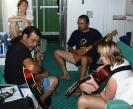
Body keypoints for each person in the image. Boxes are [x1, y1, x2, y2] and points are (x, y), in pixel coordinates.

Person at [4, 26, 58, 109]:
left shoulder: (17, 44)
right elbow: (32, 67)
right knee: (54, 80)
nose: (35, 44)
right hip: (20, 84)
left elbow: (28, 68)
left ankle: (40, 101)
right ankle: (40, 101)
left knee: (44, 79)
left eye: (37, 42)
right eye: (33, 40)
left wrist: (37, 59)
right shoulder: (22, 49)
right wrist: (42, 72)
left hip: (18, 78)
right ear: (25, 36)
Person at [78, 41, 133, 109]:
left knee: (82, 100)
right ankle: (91, 104)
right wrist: (101, 67)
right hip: (115, 90)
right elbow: (112, 67)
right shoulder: (123, 60)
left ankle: (87, 103)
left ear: (111, 56)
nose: (100, 58)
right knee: (83, 85)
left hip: (117, 102)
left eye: (103, 56)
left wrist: (95, 84)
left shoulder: (113, 79)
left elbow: (107, 99)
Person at [54, 15, 102, 80]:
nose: (79, 25)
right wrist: (75, 51)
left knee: (84, 58)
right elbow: (69, 47)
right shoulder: (75, 33)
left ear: (87, 24)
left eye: (82, 23)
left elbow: (103, 45)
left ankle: (81, 83)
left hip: (90, 58)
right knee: (57, 52)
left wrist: (109, 39)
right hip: (78, 56)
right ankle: (66, 75)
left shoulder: (94, 32)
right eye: (78, 23)